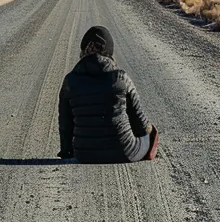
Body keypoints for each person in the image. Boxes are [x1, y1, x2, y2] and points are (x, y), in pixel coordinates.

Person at [58, 25, 159, 163]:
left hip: (83, 155)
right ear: (109, 50)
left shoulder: (70, 80)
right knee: (151, 131)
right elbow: (140, 124)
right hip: (125, 153)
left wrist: (67, 152)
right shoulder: (120, 77)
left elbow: (65, 124)